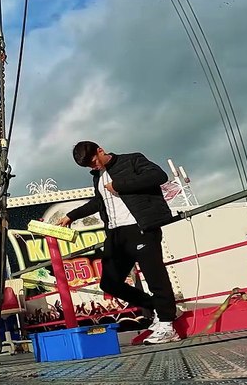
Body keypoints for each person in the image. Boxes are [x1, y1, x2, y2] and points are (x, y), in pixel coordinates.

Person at [55, 140, 180, 345]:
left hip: (140, 226)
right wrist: (72, 215)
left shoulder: (132, 160)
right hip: (116, 233)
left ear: (100, 150)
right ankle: (157, 307)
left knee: (155, 276)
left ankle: (167, 325)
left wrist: (119, 185)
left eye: (94, 161)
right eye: (88, 166)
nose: (94, 166)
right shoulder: (98, 176)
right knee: (109, 282)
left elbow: (158, 176)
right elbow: (99, 202)